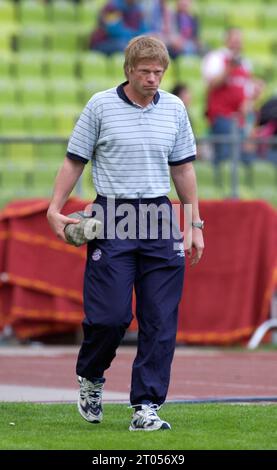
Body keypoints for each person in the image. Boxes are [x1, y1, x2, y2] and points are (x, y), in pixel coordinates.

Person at [47, 35, 204, 432]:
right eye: (145, 71)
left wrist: (194, 224)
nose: (153, 79)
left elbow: (183, 169)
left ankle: (146, 406)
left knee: (160, 319)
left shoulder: (174, 108)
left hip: (160, 215)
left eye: (159, 72)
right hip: (113, 214)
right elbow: (73, 160)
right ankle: (92, 376)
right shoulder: (100, 105)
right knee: (110, 317)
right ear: (129, 70)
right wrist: (54, 208)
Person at [202, 28, 263, 184]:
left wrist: (254, 94)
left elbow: (246, 93)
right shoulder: (216, 57)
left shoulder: (245, 63)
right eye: (234, 39)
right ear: (226, 39)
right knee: (226, 156)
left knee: (247, 159)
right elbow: (211, 84)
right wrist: (229, 69)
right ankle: (221, 191)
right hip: (221, 117)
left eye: (239, 39)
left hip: (240, 120)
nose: (237, 42)